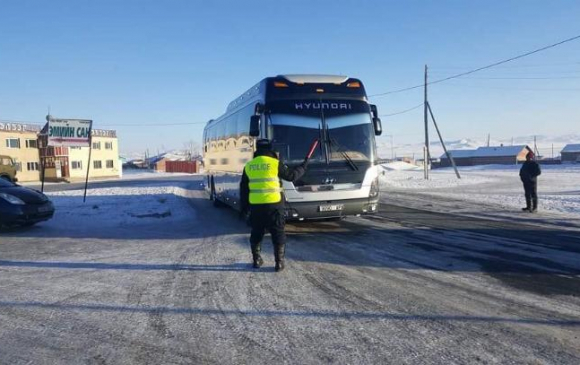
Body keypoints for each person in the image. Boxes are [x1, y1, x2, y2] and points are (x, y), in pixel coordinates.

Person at [240, 139, 308, 272]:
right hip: (275, 205)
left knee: (256, 233)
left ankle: (256, 260)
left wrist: (245, 208)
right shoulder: (275, 163)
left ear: (257, 149)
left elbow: (244, 189)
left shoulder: (249, 166)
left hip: (256, 206)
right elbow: (292, 176)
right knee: (278, 232)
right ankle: (279, 263)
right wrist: (303, 167)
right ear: (270, 149)